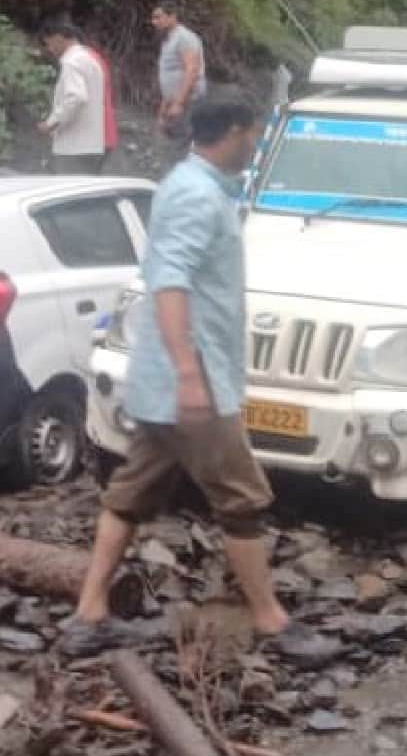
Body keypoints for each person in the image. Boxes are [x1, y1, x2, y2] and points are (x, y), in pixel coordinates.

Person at [72, 88, 308, 650]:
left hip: (166, 385)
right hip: (191, 384)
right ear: (232, 132)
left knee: (130, 491)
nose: (254, 144)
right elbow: (170, 282)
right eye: (252, 133)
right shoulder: (198, 198)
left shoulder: (189, 186)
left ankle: (88, 614)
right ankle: (271, 621)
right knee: (241, 497)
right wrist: (188, 374)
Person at [37, 19, 116, 174]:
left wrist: (51, 123)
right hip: (100, 139)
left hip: (78, 144)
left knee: (70, 190)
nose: (49, 49)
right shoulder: (92, 57)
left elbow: (76, 97)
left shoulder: (71, 61)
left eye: (49, 43)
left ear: (58, 38)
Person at [150, 0, 206, 158]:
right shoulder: (168, 40)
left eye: (158, 17)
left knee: (180, 148)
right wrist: (163, 110)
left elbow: (192, 69)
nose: (154, 22)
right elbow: (170, 78)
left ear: (172, 16)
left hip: (189, 102)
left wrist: (179, 103)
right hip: (176, 103)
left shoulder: (184, 38)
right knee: (173, 147)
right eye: (153, 18)